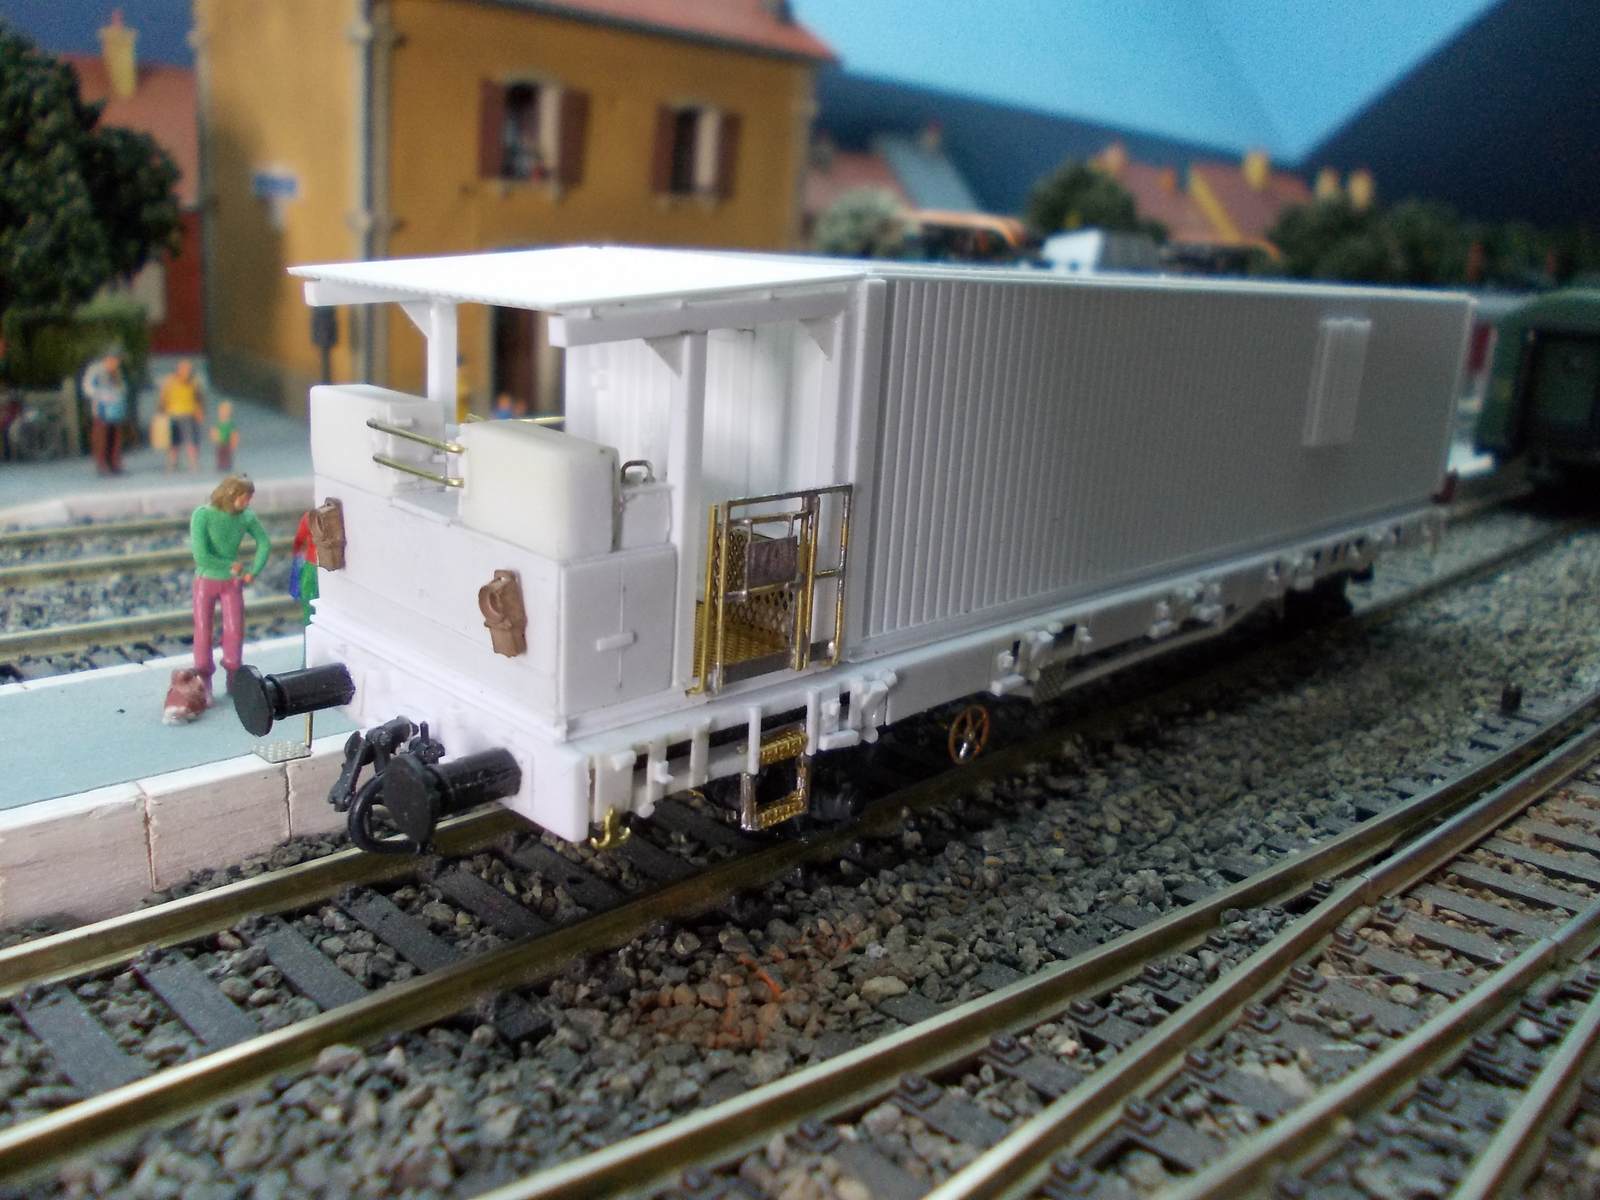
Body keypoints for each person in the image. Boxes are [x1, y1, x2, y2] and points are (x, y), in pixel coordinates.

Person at [190, 475, 270, 699]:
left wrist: (253, 571)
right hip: (206, 580)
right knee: (203, 628)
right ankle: (203, 679)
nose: (247, 503)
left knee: (235, 629)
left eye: (249, 499)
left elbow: (264, 542)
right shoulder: (203, 515)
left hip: (232, 582)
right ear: (231, 494)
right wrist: (231, 565)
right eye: (244, 498)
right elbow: (201, 556)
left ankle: (234, 678)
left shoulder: (246, 516)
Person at [83, 352, 126, 475]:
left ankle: (115, 463)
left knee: (115, 437)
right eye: (114, 360)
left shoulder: (117, 372)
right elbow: (87, 387)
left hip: (116, 408)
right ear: (107, 359)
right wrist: (100, 395)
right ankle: (102, 464)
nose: (115, 363)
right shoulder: (95, 370)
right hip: (101, 408)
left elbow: (122, 387)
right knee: (102, 437)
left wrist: (119, 394)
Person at [159, 359, 205, 472]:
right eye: (183, 369)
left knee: (191, 440)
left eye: (188, 369)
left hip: (189, 414)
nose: (186, 371)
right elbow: (164, 396)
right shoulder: (170, 381)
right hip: (173, 414)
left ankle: (193, 464)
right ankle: (172, 463)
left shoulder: (194, 382)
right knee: (173, 442)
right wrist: (162, 410)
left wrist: (199, 411)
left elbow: (199, 398)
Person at [289, 509, 320, 625]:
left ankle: (310, 627)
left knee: (309, 602)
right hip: (323, 566)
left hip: (311, 565)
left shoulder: (309, 517)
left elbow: (298, 541)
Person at [212, 400, 238, 471]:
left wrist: (234, 442)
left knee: (228, 455)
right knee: (219, 454)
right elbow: (214, 431)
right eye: (221, 412)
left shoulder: (230, 424)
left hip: (228, 442)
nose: (223, 414)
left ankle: (227, 466)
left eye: (226, 412)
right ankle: (220, 466)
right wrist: (215, 437)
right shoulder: (218, 423)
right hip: (220, 442)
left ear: (230, 413)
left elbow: (234, 434)